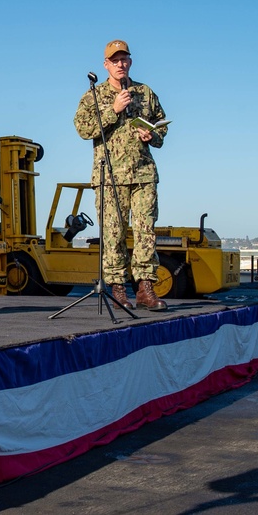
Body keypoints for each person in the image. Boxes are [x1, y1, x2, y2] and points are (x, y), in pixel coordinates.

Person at [73, 39, 169, 312]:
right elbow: (83, 128)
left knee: (145, 233)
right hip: (110, 176)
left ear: (130, 62)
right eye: (115, 60)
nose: (120, 64)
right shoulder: (94, 95)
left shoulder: (145, 92)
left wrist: (153, 135)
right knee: (113, 235)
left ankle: (145, 289)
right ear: (106, 65)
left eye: (124, 59)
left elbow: (162, 124)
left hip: (143, 174)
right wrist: (112, 109)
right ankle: (118, 289)